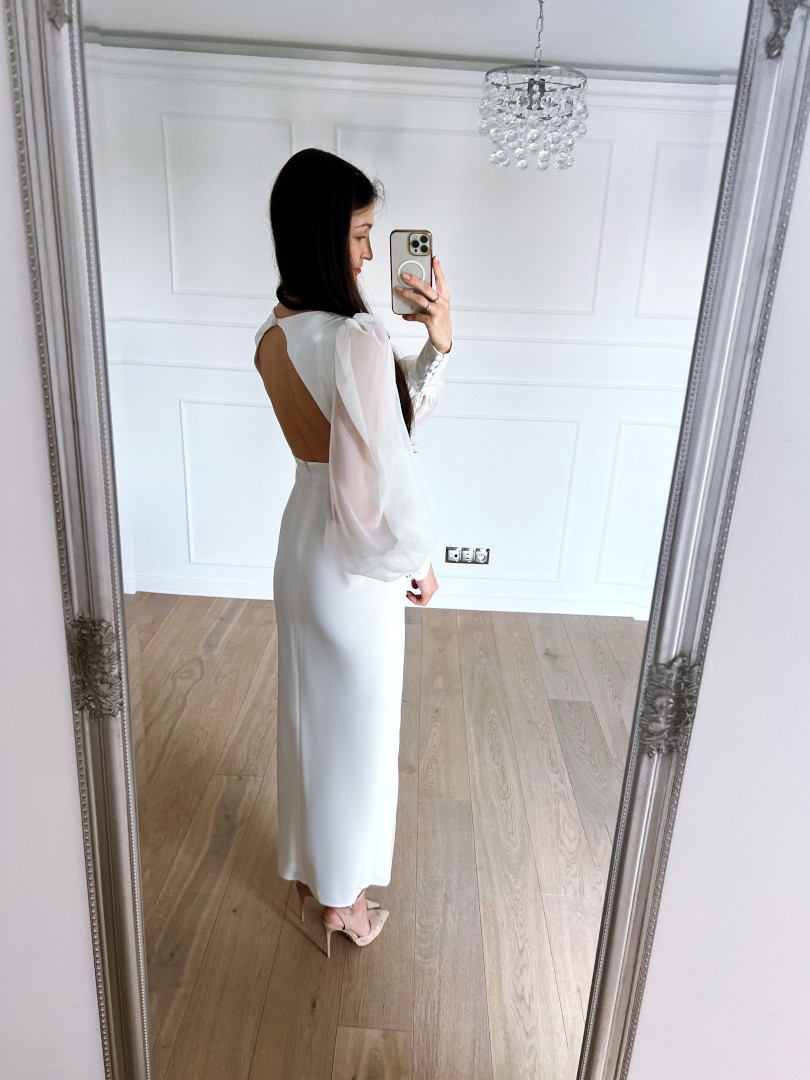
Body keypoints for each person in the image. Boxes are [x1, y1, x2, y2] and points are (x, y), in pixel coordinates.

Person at [253, 148, 453, 957]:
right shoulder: (358, 340)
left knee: (309, 721)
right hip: (349, 558)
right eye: (361, 234)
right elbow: (387, 461)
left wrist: (431, 346)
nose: (370, 253)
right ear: (322, 236)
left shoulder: (272, 334)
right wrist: (418, 559)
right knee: (357, 737)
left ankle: (314, 872)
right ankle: (345, 901)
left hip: (301, 540)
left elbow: (359, 433)